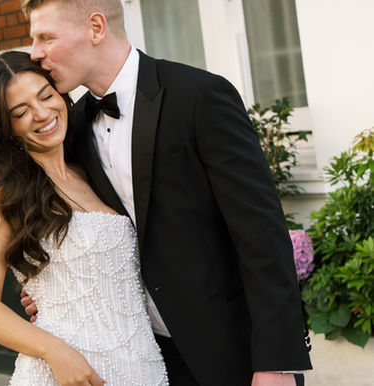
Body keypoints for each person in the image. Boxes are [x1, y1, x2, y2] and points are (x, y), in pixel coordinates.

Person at [18, 0, 313, 385]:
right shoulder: (69, 128)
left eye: (46, 37)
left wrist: (276, 364)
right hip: (142, 358)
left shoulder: (200, 97)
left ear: (95, 27)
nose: (35, 53)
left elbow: (263, 237)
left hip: (234, 354)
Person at [0, 51, 168, 385]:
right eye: (21, 111)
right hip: (64, 372)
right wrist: (55, 351)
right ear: (5, 127)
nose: (42, 113)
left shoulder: (90, 168)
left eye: (46, 96)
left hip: (142, 366)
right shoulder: (1, 191)